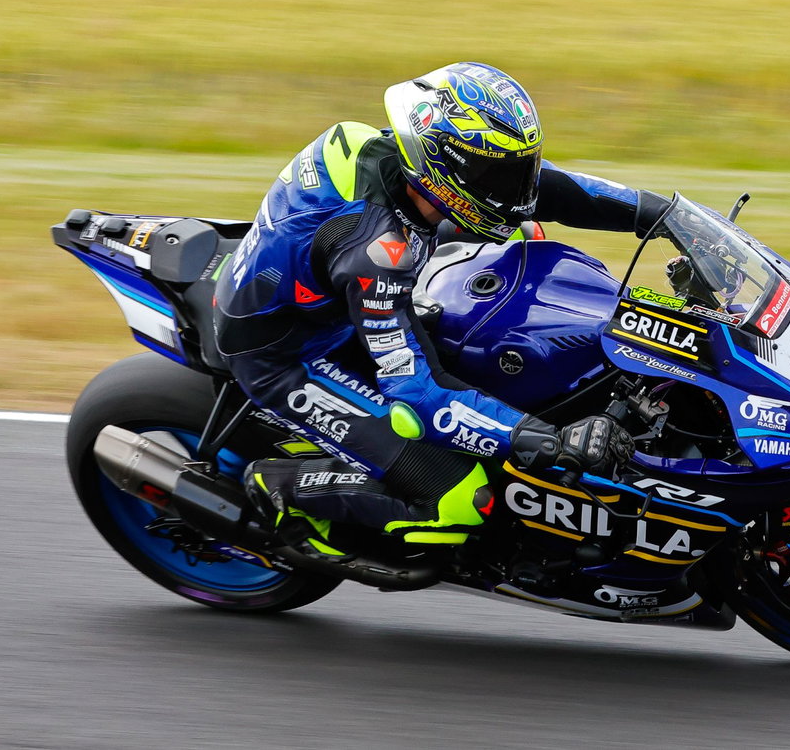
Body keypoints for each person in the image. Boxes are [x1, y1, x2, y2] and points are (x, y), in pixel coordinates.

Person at [213, 62, 668, 566]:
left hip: (329, 294)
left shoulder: (403, 163)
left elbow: (554, 192)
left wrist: (663, 214)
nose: (519, 188)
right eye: (500, 175)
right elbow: (417, 393)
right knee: (461, 500)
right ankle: (280, 486)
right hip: (288, 356)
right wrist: (546, 439)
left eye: (520, 169)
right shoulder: (377, 252)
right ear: (443, 163)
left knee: (526, 242)